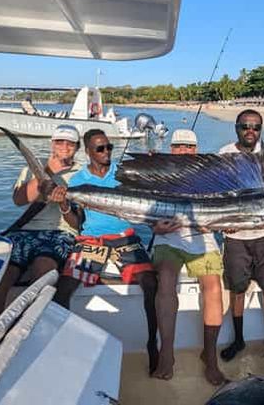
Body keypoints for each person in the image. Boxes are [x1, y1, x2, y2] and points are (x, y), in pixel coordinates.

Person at [65, 129, 160, 373]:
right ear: (88, 152)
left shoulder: (123, 173)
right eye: (100, 149)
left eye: (109, 147)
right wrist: (64, 206)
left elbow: (147, 194)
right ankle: (64, 346)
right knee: (63, 289)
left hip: (125, 237)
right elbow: (76, 223)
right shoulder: (77, 181)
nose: (106, 152)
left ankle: (152, 342)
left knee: (150, 283)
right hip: (91, 240)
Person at [0, 125, 83, 333]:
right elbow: (19, 200)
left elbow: (76, 222)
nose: (64, 146)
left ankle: (32, 338)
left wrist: (63, 202)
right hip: (24, 232)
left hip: (60, 232)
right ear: (52, 143)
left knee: (43, 273)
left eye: (70, 143)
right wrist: (46, 173)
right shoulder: (32, 168)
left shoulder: (82, 174)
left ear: (77, 147)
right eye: (59, 141)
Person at [151, 129, 227, 385]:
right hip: (168, 237)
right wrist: (155, 228)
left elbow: (222, 214)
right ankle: (167, 352)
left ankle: (210, 354)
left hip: (201, 238)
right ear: (171, 149)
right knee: (165, 278)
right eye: (178, 146)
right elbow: (147, 212)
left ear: (197, 150)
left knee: (214, 286)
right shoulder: (158, 176)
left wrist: (212, 227)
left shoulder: (211, 178)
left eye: (189, 147)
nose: (183, 151)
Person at [218, 109, 264, 365]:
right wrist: (226, 223)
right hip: (236, 236)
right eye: (245, 125)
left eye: (256, 127)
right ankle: (238, 339)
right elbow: (218, 194)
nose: (251, 131)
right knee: (237, 290)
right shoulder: (225, 153)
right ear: (237, 127)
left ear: (260, 130)